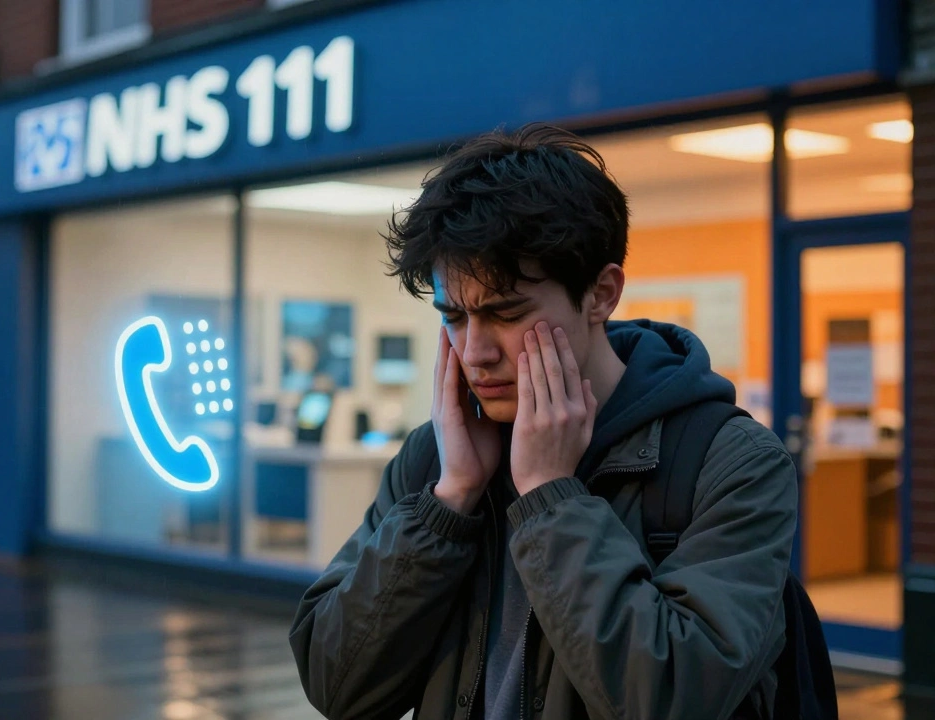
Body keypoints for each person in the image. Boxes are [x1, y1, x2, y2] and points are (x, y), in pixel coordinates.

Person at [289, 124, 798, 720]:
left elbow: (670, 697)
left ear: (602, 294)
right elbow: (336, 684)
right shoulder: (439, 460)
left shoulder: (730, 462)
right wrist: (448, 504)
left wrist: (551, 498)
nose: (475, 351)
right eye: (453, 316)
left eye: (506, 312)